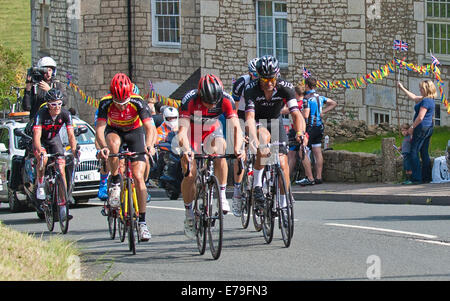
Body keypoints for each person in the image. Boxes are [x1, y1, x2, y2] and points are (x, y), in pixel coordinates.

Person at [178, 74, 244, 239]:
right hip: (192, 132)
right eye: (208, 102)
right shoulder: (189, 100)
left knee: (220, 150)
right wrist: (186, 150)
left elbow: (236, 126)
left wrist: (238, 147)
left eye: (214, 102)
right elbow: (181, 132)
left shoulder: (225, 99)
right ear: (201, 95)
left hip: (212, 130)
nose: (211, 105)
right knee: (190, 174)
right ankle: (189, 215)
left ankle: (221, 195)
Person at [96, 73, 156, 241]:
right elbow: (100, 129)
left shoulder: (137, 102)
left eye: (124, 103)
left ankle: (143, 223)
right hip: (114, 131)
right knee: (113, 146)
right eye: (118, 103)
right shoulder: (105, 102)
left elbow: (150, 128)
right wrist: (104, 148)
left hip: (134, 132)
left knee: (138, 176)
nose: (121, 107)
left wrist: (150, 146)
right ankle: (115, 181)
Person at [244, 55, 307, 214]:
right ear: (259, 77)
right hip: (259, 122)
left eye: (272, 79)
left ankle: (284, 202)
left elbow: (296, 114)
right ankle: (257, 184)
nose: (270, 83)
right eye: (265, 80)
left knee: (282, 161)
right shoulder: (251, 89)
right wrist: (252, 136)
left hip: (275, 121)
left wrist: (299, 132)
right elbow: (250, 118)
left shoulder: (285, 87)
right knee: (264, 141)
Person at [33, 89, 78, 213]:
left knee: (61, 168)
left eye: (59, 103)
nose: (57, 107)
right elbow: (36, 136)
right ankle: (41, 184)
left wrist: (74, 149)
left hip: (54, 139)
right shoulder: (41, 114)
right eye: (53, 104)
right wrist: (40, 150)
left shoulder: (65, 114)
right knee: (44, 158)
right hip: (41, 140)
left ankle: (63, 203)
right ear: (48, 104)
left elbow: (71, 135)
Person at [230, 58, 259, 216]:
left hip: (258, 113)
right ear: (249, 73)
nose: (257, 78)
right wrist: (239, 132)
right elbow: (232, 110)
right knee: (240, 152)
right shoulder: (241, 82)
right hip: (240, 114)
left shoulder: (264, 82)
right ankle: (237, 192)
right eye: (254, 75)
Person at [296, 77, 337, 186]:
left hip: (310, 127)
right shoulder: (320, 97)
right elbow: (333, 103)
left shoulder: (306, 99)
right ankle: (318, 177)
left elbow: (306, 115)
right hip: (319, 126)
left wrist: (297, 113)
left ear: (307, 86)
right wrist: (322, 111)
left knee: (302, 151)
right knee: (317, 151)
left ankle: (309, 177)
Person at [398, 80, 436, 184]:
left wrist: (412, 127)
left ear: (427, 89)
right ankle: (426, 177)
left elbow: (420, 117)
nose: (420, 90)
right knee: (424, 152)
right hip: (428, 128)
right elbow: (414, 97)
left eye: (422, 88)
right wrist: (402, 88)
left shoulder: (426, 101)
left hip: (421, 128)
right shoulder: (429, 99)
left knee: (413, 152)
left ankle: (416, 178)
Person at [287, 83, 307, 180]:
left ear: (296, 93)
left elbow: (283, 110)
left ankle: (287, 177)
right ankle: (308, 176)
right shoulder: (305, 102)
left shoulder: (296, 104)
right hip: (305, 130)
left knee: (292, 155)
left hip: (296, 130)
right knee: (301, 153)